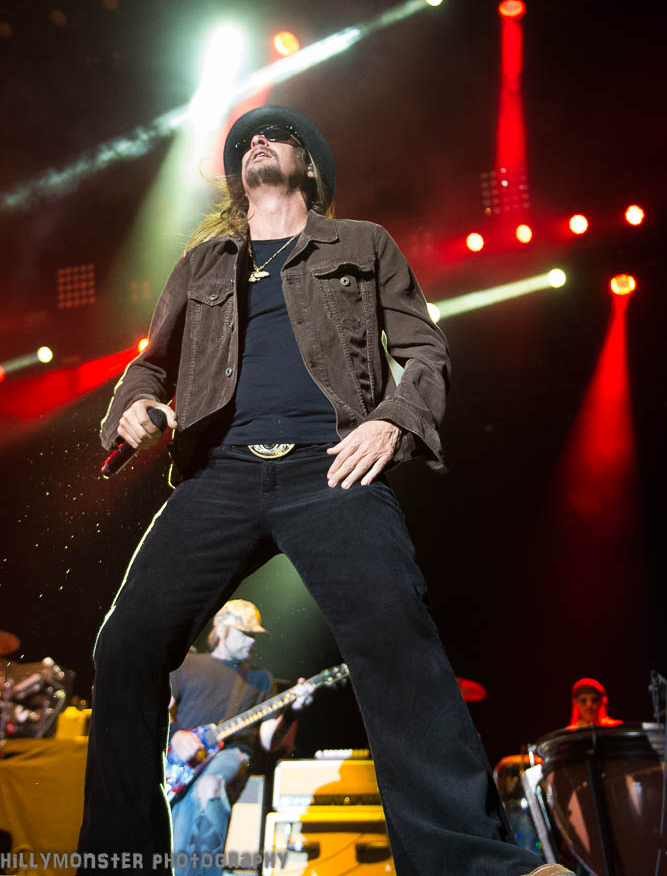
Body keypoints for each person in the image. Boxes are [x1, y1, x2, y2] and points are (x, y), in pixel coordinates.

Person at [78, 104, 572, 876]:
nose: (256, 141)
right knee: (125, 644)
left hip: (331, 465)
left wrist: (392, 422)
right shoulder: (202, 264)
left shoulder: (362, 244)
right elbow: (150, 365)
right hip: (219, 474)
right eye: (245, 139)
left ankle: (472, 864)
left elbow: (425, 352)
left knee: (395, 637)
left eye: (276, 135)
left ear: (308, 165)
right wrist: (135, 407)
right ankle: (118, 863)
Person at [168, 599, 312, 876]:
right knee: (178, 824)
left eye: (255, 636)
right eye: (245, 633)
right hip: (183, 763)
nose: (252, 641)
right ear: (222, 629)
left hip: (232, 754)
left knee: (210, 785)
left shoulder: (260, 679)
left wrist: (292, 712)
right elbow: (161, 713)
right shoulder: (187, 665)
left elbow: (269, 741)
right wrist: (176, 736)